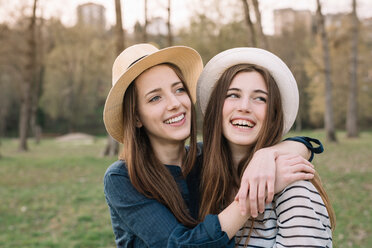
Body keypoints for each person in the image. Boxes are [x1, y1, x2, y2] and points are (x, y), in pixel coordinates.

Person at [103, 43, 321, 247]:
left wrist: (266, 156)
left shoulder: (205, 158)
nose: (175, 104)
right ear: (136, 117)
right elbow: (181, 244)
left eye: (179, 90)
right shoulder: (123, 178)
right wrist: (255, 195)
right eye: (155, 98)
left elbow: (305, 146)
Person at [196, 47, 335, 247]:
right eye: (233, 95)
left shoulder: (294, 189)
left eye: (260, 98)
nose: (244, 107)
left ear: (272, 116)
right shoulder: (200, 177)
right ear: (216, 107)